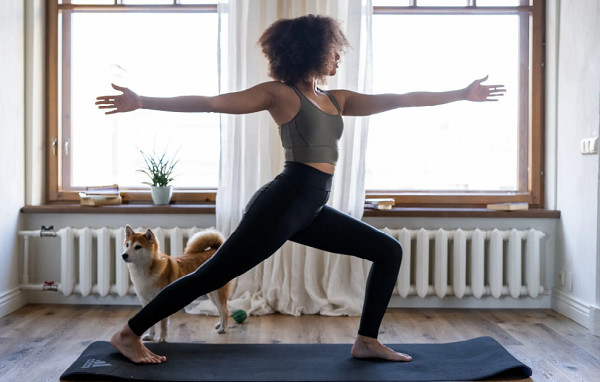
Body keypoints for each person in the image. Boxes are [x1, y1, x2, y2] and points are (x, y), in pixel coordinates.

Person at [96, 14, 505, 365]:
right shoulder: (280, 94)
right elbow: (212, 102)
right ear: (311, 51)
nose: (338, 55)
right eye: (333, 48)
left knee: (387, 250)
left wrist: (462, 94)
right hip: (284, 200)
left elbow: (401, 99)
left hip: (309, 206)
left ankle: (366, 340)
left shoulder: (335, 98)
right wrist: (143, 101)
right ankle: (129, 335)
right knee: (212, 274)